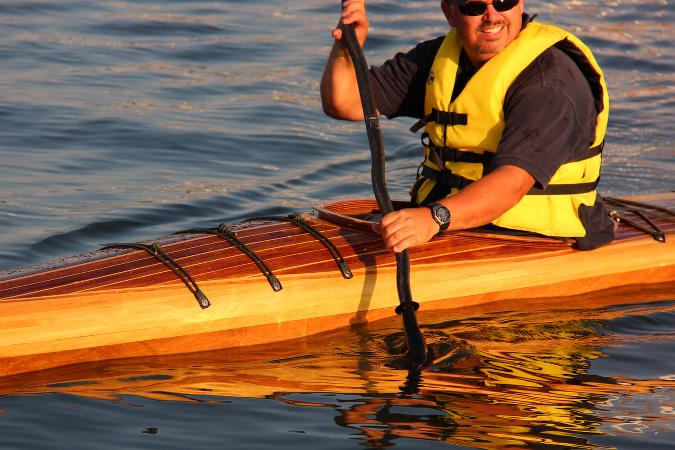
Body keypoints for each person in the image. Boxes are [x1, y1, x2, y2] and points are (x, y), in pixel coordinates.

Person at [320, 0, 616, 252]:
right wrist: (348, 50)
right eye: (475, 5)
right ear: (449, 11)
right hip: (453, 222)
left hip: (542, 238)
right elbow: (345, 102)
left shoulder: (549, 80)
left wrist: (432, 218)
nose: (491, 16)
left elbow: (512, 183)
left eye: (503, 1)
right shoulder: (437, 59)